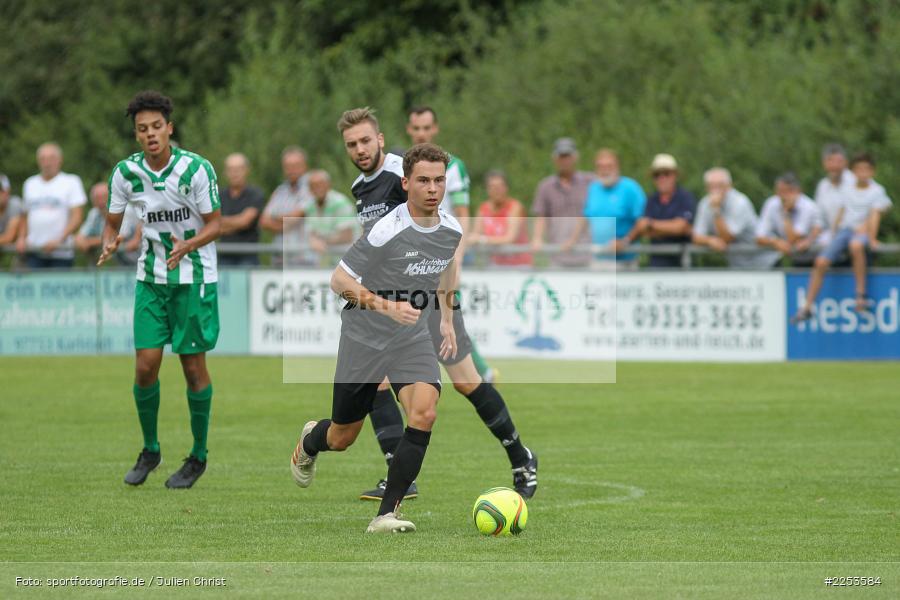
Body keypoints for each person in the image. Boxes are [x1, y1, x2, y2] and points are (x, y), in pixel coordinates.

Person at [295, 107, 537, 505]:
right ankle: (399, 475)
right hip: (393, 306)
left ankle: (521, 457)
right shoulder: (361, 186)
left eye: (365, 141)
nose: (359, 149)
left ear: (382, 140)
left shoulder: (401, 173)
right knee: (381, 385)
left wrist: (446, 311)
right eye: (351, 144)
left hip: (429, 301)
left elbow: (442, 235)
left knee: (466, 381)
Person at [290, 143, 462, 533]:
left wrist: (448, 319)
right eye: (423, 180)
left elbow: (448, 270)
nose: (433, 188)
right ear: (406, 183)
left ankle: (387, 514)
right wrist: (387, 306)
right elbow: (339, 280)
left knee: (425, 411)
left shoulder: (452, 229)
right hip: (364, 336)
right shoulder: (388, 230)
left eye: (439, 180)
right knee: (342, 436)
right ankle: (310, 441)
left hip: (411, 337)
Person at [97, 90, 222, 490]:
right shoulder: (125, 174)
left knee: (192, 368)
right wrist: (110, 239)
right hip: (151, 280)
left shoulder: (196, 169)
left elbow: (216, 224)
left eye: (156, 127)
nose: (150, 134)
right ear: (135, 135)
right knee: (145, 365)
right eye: (142, 129)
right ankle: (150, 449)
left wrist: (190, 244)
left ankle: (198, 455)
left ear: (169, 128)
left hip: (194, 279)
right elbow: (112, 222)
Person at [405, 106, 499, 384]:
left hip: (441, 253)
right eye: (416, 128)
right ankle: (478, 372)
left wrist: (457, 254)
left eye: (426, 128)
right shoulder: (402, 165)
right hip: (412, 254)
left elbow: (463, 213)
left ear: (435, 129)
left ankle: (478, 372)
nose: (421, 133)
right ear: (409, 130)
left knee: (447, 310)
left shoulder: (453, 165)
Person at [793, 153, 892, 321]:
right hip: (845, 230)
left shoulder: (877, 190)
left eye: (866, 169)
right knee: (821, 261)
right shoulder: (847, 189)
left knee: (855, 246)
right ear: (853, 172)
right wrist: (834, 233)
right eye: (859, 169)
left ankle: (860, 294)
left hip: (862, 232)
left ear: (872, 171)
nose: (862, 173)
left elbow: (879, 211)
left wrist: (870, 234)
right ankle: (807, 306)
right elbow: (841, 211)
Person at [562, 149, 646, 269]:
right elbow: (586, 216)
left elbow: (642, 222)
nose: (605, 170)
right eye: (600, 166)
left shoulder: (631, 188)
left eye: (609, 166)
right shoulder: (593, 188)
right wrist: (572, 240)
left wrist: (625, 241)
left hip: (624, 262)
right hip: (598, 260)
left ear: (618, 167)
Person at [16, 142, 86, 268]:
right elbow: (25, 216)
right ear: (38, 161)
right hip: (34, 252)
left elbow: (77, 217)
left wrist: (58, 240)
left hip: (61, 252)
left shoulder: (71, 181)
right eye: (43, 159)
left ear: (60, 160)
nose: (47, 163)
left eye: (51, 158)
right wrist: (21, 237)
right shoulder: (29, 183)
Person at [620, 154, 695, 267]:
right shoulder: (652, 200)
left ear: (675, 175)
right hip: (656, 264)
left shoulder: (685, 197)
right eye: (657, 175)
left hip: (681, 264)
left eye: (666, 173)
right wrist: (624, 242)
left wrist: (651, 225)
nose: (661, 178)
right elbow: (642, 228)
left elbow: (681, 227)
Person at [531, 138, 594, 267]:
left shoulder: (591, 181)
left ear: (575, 157)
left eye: (568, 156)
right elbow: (541, 216)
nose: (565, 160)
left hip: (587, 254)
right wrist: (537, 238)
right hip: (557, 255)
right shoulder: (545, 186)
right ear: (555, 159)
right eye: (561, 156)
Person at [692, 167, 767, 268]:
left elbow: (726, 238)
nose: (715, 191)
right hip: (738, 264)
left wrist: (716, 210)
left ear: (729, 186)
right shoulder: (705, 203)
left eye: (719, 186)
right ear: (706, 188)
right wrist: (710, 240)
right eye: (712, 186)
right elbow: (696, 237)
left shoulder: (740, 202)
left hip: (765, 262)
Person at [259, 146, 313, 265]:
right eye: (288, 166)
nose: (291, 170)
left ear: (305, 166)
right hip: (280, 257)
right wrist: (286, 223)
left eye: (295, 166)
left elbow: (294, 218)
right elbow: (263, 221)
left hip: (303, 258)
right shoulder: (280, 190)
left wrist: (275, 218)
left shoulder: (312, 188)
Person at [755, 173, 821, 267]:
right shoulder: (771, 203)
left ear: (798, 191)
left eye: (787, 192)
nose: (782, 196)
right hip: (794, 258)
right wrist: (775, 241)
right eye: (779, 191)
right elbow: (758, 237)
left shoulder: (808, 207)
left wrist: (786, 213)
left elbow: (792, 239)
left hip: (815, 257)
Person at [470, 170, 532, 266]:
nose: (497, 190)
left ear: (506, 188)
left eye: (500, 186)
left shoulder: (515, 207)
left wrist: (482, 240)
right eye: (493, 187)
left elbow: (510, 238)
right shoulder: (483, 209)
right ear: (487, 189)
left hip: (519, 264)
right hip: (494, 264)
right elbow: (475, 236)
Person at [75, 182, 142, 264]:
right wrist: (81, 241)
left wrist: (89, 242)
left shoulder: (126, 210)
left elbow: (118, 238)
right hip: (122, 262)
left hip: (142, 259)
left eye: (104, 197)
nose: (101, 201)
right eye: (97, 198)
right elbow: (80, 236)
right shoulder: (94, 213)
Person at [218, 152, 265, 266]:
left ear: (246, 170)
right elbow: (209, 223)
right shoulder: (218, 195)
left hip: (248, 257)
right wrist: (235, 223)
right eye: (230, 169)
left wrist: (221, 223)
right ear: (225, 172)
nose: (234, 173)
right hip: (223, 255)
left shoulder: (255, 194)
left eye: (238, 169)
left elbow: (244, 221)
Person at [304, 169, 359, 264]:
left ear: (328, 185)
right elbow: (311, 233)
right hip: (328, 261)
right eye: (313, 185)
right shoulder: (310, 206)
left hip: (351, 260)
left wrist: (321, 241)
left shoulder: (340, 203)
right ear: (309, 188)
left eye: (320, 184)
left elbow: (346, 236)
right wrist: (312, 240)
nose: (317, 188)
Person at [814, 143, 855, 248]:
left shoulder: (855, 181)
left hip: (853, 236)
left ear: (845, 163)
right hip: (830, 237)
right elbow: (819, 218)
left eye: (838, 161)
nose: (834, 165)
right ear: (824, 163)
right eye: (830, 161)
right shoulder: (822, 186)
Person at [0, 174, 24, 249]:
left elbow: (9, 237)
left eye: (1, 190)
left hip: (26, 253)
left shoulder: (15, 204)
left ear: (8, 191)